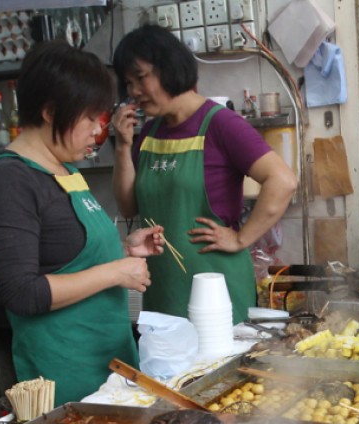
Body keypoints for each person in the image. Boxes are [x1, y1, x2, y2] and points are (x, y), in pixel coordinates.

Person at [0, 42, 164, 405]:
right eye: (91, 118)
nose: (98, 131)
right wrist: (115, 273)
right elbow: (21, 293)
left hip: (109, 367)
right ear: (50, 111)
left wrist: (124, 249)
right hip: (65, 377)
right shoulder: (9, 180)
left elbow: (65, 253)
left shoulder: (66, 170)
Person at [111, 24, 298, 325]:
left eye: (141, 78)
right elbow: (129, 207)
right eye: (128, 83)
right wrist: (122, 146)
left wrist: (241, 239)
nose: (134, 92)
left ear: (169, 68)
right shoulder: (148, 132)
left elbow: (284, 181)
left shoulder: (221, 125)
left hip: (217, 291)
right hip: (163, 290)